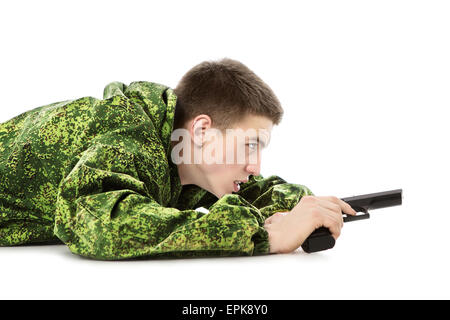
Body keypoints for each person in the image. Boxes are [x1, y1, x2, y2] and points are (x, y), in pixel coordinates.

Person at [0, 58, 356, 260]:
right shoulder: (128, 137)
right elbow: (98, 224)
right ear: (202, 131)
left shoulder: (183, 153)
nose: (255, 165)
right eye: (249, 145)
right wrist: (261, 237)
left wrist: (304, 207)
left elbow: (250, 191)